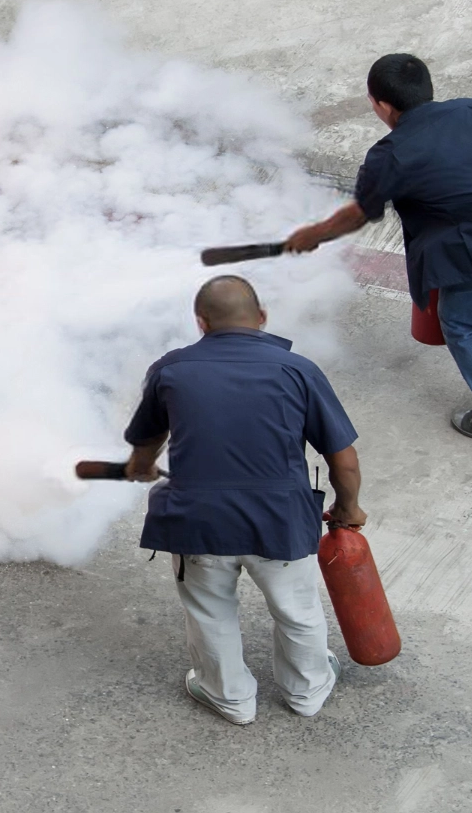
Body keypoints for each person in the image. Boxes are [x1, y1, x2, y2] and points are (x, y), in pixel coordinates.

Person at [284, 54, 472, 449]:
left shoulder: (388, 156)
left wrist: (314, 234)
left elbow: (358, 216)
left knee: (464, 325)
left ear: (382, 105)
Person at [123, 275, 366, 724]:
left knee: (210, 611)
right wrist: (349, 508)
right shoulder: (298, 370)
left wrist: (140, 467)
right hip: (281, 521)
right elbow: (343, 459)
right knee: (297, 609)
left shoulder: (170, 369)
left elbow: (147, 442)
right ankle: (307, 692)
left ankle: (230, 698)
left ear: (201, 322)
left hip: (199, 523)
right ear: (262, 318)